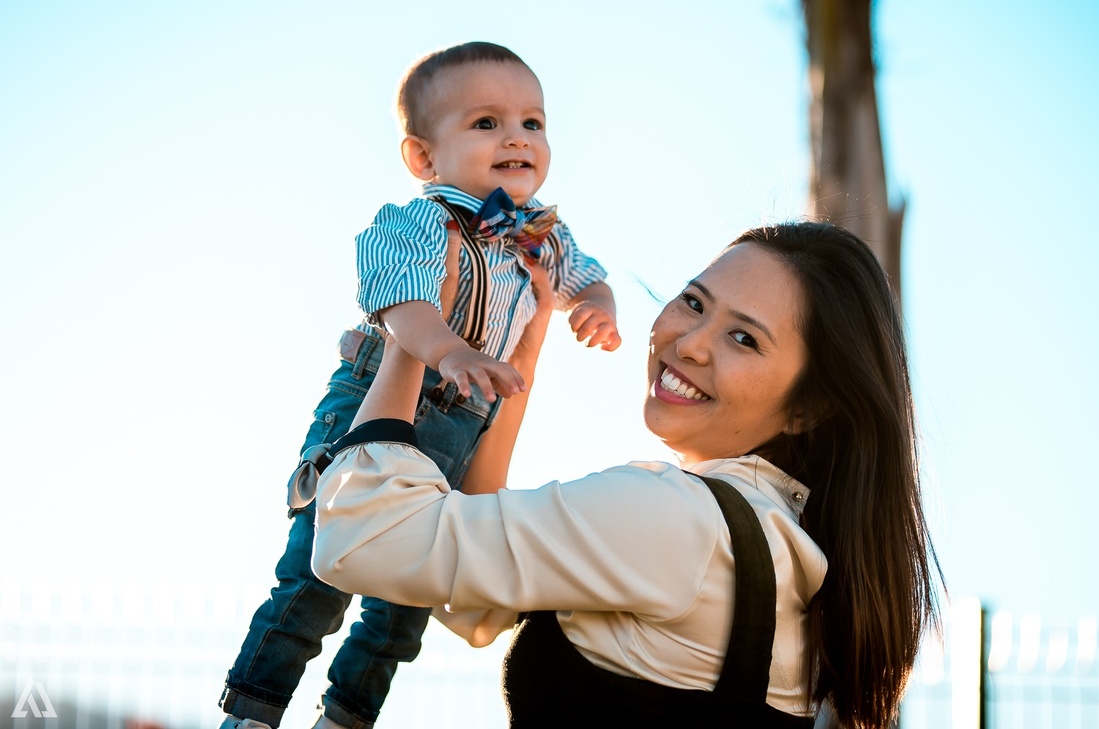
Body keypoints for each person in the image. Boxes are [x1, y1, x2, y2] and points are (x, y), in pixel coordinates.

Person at [310, 221, 944, 729]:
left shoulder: (679, 518)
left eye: (744, 339)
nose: (691, 343)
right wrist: (522, 363)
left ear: (808, 408)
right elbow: (478, 602)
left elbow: (362, 540)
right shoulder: (777, 544)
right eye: (693, 302)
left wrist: (413, 329)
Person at [219, 42, 620, 729]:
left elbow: (587, 279)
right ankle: (254, 709)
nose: (517, 137)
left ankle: (346, 716)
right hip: (379, 396)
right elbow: (402, 303)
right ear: (424, 158)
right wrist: (451, 349)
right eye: (487, 122)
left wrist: (597, 307)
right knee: (317, 574)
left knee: (408, 596)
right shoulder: (420, 220)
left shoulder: (541, 236)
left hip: (462, 421)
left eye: (532, 122)